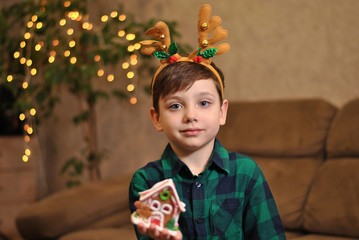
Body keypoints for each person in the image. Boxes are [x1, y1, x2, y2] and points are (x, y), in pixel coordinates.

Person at [129, 4, 286, 240]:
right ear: (157, 118)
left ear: (222, 112)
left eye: (203, 103)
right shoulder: (148, 182)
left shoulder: (246, 173)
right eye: (175, 106)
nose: (190, 115)